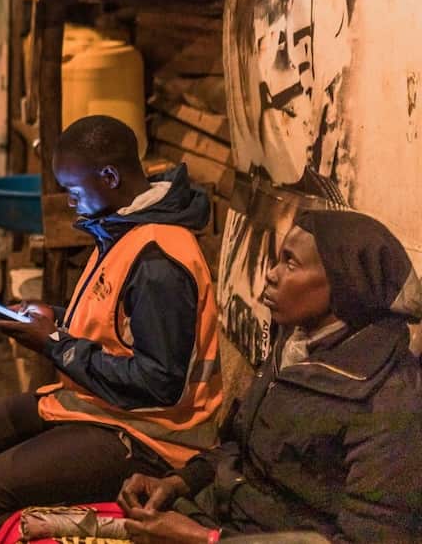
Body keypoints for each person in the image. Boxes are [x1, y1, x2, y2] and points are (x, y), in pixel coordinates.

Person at [0, 115, 223, 543]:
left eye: (74, 190)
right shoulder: (124, 224)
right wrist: (56, 317)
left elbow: (159, 385)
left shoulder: (158, 261)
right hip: (105, 405)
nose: (70, 202)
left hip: (153, 436)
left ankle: (105, 526)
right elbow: (117, 319)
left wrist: (54, 343)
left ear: (110, 177)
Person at [120, 210, 422, 543]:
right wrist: (178, 482)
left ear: (345, 284)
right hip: (217, 517)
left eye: (290, 264)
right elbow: (240, 448)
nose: (271, 274)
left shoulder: (390, 401)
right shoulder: (295, 347)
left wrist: (206, 540)